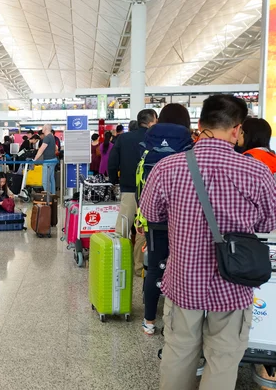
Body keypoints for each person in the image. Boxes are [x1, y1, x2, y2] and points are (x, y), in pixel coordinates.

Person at [140, 94, 276, 390]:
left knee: (178, 354)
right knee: (224, 360)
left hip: (184, 281)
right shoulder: (257, 172)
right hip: (233, 284)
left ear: (200, 125)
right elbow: (268, 224)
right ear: (237, 130)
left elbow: (150, 213)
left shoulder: (168, 168)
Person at [136, 103, 193, 335]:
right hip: (185, 219)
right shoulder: (189, 146)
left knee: (155, 267)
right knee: (185, 268)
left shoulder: (149, 145)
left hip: (155, 220)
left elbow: (141, 180)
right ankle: (179, 320)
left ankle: (149, 321)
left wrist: (141, 218)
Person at [108, 109, 157, 275]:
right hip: (149, 191)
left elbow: (112, 161)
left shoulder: (124, 138)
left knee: (122, 226)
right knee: (143, 228)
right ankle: (139, 267)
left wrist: (114, 179)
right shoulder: (155, 138)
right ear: (152, 121)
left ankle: (117, 263)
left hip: (128, 188)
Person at [34, 124, 58, 194]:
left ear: (46, 129)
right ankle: (53, 196)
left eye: (43, 128)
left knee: (45, 181)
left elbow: (41, 149)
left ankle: (48, 198)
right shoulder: (52, 137)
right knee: (51, 179)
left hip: (48, 161)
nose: (42, 129)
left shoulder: (47, 137)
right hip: (53, 160)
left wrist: (35, 159)